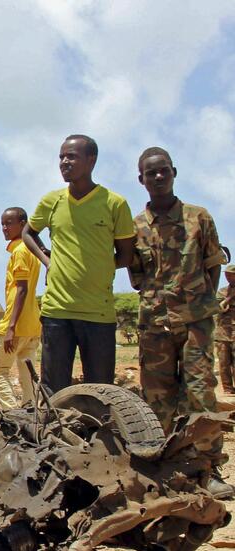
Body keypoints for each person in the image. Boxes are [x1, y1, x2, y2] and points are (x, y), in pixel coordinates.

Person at [127, 146, 232, 499]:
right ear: (140, 179)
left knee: (200, 395)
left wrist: (199, 302)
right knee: (158, 399)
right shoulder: (134, 227)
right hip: (154, 326)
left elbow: (214, 263)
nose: (158, 177)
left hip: (196, 324)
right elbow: (136, 277)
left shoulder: (198, 217)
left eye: (164, 171)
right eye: (150, 173)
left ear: (174, 172)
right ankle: (163, 470)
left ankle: (207, 471)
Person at [23, 135, 135, 394]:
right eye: (61, 157)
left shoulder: (114, 203)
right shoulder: (52, 201)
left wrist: (98, 267)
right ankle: (51, 436)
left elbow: (126, 255)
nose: (64, 162)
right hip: (57, 312)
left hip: (98, 312)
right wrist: (47, 259)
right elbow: (29, 232)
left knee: (101, 391)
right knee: (53, 390)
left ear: (91, 160)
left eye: (71, 156)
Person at [0, 207, 42, 409]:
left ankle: (11, 412)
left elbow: (21, 290)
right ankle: (31, 411)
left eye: (9, 223)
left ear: (23, 224)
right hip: (32, 325)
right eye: (2, 224)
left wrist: (11, 326)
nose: (4, 228)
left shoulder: (19, 252)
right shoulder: (32, 250)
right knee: (27, 374)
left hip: (16, 324)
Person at [216, 265, 235, 394]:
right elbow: (217, 308)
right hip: (223, 332)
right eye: (226, 274)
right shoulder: (221, 292)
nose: (227, 276)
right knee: (224, 362)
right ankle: (228, 389)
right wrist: (229, 298)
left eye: (230, 274)